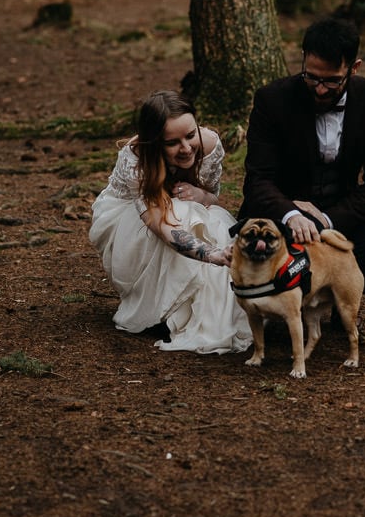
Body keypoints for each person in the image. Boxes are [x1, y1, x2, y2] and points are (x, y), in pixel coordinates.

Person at [238, 17, 365, 300]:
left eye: (332, 81)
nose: (320, 89)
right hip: (279, 212)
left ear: (354, 68)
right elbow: (258, 179)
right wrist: (292, 214)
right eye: (312, 77)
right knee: (267, 274)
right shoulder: (272, 99)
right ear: (304, 59)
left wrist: (328, 222)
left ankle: (334, 289)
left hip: (340, 213)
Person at [89, 91, 252, 354]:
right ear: (155, 144)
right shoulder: (137, 163)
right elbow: (163, 227)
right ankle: (163, 308)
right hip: (132, 224)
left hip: (185, 212)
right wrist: (212, 254)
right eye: (172, 143)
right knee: (182, 214)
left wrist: (201, 194)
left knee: (213, 221)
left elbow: (212, 196)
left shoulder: (208, 145)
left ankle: (200, 313)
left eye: (190, 135)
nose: (186, 148)